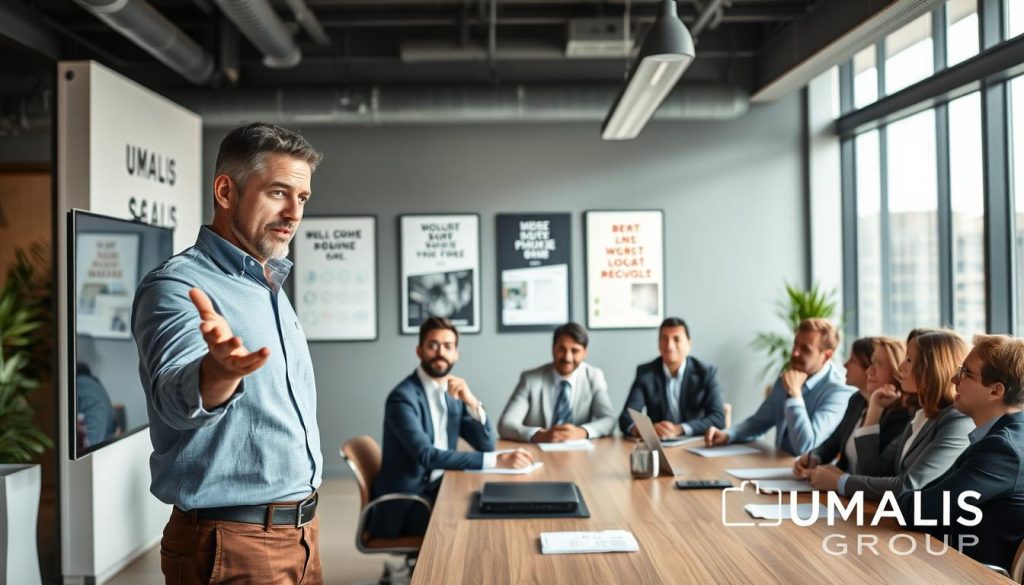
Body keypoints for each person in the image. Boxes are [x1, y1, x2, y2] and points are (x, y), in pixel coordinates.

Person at [132, 123, 325, 584]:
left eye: (302, 198)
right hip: (233, 543)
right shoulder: (177, 286)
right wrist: (216, 373)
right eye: (279, 192)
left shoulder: (268, 284)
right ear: (225, 190)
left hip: (301, 535)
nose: (293, 212)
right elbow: (175, 398)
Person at [370, 317, 534, 538]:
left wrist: (473, 403)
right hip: (409, 503)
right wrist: (497, 460)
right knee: (474, 524)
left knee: (496, 504)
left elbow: (486, 444)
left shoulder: (453, 393)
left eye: (448, 346)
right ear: (419, 351)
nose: (440, 352)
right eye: (433, 345)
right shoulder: (402, 398)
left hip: (440, 485)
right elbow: (427, 455)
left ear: (456, 354)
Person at [897, 334, 1024, 571]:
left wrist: (908, 498)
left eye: (966, 373)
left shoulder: (1002, 449)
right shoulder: (1004, 436)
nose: (954, 378)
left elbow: (921, 510)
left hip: (971, 572)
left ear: (996, 391)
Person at [807, 330, 974, 501]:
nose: (900, 367)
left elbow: (907, 486)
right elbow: (876, 471)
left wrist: (841, 481)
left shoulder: (957, 420)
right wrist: (875, 408)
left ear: (932, 368)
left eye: (909, 360)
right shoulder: (920, 415)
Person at [704, 318, 855, 456]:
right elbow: (758, 422)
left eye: (805, 349)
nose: (795, 353)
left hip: (811, 478)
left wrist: (795, 394)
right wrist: (728, 434)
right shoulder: (789, 376)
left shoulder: (839, 390)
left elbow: (805, 446)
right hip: (778, 468)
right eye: (795, 344)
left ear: (827, 356)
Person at [794, 337, 911, 476]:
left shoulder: (902, 416)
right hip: (842, 491)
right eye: (872, 363)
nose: (870, 370)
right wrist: (814, 457)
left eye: (877, 364)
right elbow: (832, 443)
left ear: (896, 372)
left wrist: (840, 480)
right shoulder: (857, 400)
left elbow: (873, 473)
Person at [498, 322, 616, 442]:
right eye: (561, 349)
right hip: (539, 452)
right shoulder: (530, 379)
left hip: (580, 453)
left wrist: (581, 432)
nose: (567, 358)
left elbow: (609, 420)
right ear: (553, 348)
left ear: (585, 352)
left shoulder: (594, 376)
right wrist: (539, 435)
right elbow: (505, 424)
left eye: (575, 351)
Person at [617, 317, 725, 438]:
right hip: (659, 445)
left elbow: (718, 419)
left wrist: (679, 429)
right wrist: (644, 430)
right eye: (664, 339)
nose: (670, 345)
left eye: (676, 339)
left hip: (694, 443)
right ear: (658, 344)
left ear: (689, 344)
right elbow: (626, 417)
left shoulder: (706, 372)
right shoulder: (646, 373)